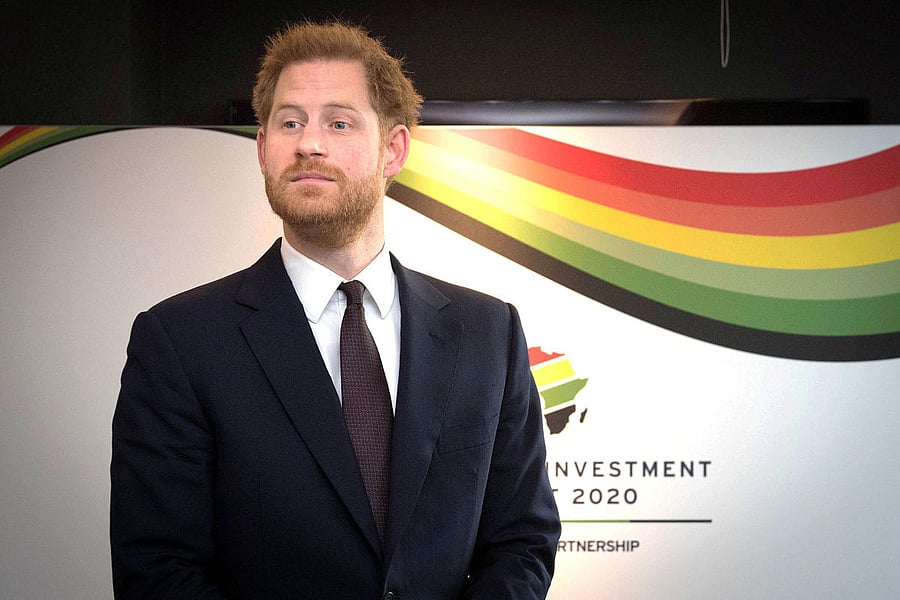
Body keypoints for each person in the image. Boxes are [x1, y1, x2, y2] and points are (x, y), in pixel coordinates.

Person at [110, 20, 560, 599]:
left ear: (393, 149)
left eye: (338, 122)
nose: (308, 144)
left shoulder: (487, 332)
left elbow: (523, 541)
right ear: (263, 150)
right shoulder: (179, 341)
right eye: (289, 122)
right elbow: (159, 571)